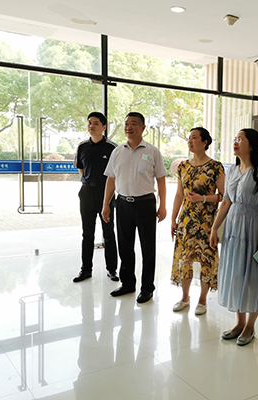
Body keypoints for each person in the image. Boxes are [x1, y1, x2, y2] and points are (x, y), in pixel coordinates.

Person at [210, 128, 258, 346]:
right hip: (233, 229)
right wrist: (214, 228)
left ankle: (250, 325)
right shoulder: (232, 170)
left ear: (252, 145)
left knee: (253, 276)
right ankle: (239, 322)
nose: (236, 142)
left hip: (253, 228)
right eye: (235, 138)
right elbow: (226, 201)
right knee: (236, 274)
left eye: (241, 139)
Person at [102, 112, 167, 304]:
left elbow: (161, 179)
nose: (129, 127)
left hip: (145, 204)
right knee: (125, 246)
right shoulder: (117, 152)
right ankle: (128, 284)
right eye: (126, 124)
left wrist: (163, 205)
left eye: (134, 124)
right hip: (122, 204)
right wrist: (106, 204)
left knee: (148, 248)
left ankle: (147, 288)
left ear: (143, 128)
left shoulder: (153, 151)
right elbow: (111, 179)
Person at [170, 128, 225, 316]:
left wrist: (203, 198)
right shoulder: (183, 166)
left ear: (205, 142)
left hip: (207, 222)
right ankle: (185, 297)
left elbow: (224, 196)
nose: (190, 141)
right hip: (186, 220)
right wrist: (173, 218)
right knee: (185, 258)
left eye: (194, 138)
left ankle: (202, 300)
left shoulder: (215, 167)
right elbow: (179, 194)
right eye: (189, 138)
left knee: (206, 259)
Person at [72, 112, 118, 283]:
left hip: (106, 194)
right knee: (87, 233)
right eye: (90, 123)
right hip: (87, 193)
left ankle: (112, 270)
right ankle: (86, 270)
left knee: (109, 233)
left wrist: (109, 196)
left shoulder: (112, 148)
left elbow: (116, 174)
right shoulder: (82, 147)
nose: (91, 126)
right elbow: (81, 169)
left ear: (104, 127)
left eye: (96, 123)